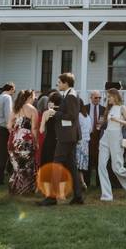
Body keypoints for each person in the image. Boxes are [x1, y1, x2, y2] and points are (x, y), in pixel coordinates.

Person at [39, 73, 84, 206]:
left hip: (67, 137)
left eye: (59, 82)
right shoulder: (69, 95)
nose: (57, 84)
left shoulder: (71, 96)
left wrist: (55, 113)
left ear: (66, 83)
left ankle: (52, 197)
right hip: (69, 136)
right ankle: (78, 196)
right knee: (72, 167)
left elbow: (71, 115)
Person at [97, 88, 126, 201]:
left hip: (116, 137)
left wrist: (118, 121)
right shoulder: (108, 109)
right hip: (106, 137)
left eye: (109, 96)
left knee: (117, 168)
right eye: (107, 96)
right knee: (101, 165)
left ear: (115, 96)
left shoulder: (122, 108)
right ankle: (106, 195)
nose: (107, 98)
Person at [6, 89, 38, 197]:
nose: (34, 99)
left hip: (14, 140)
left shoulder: (15, 109)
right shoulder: (33, 110)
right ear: (29, 97)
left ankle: (15, 189)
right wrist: (36, 142)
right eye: (33, 97)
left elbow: (8, 126)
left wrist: (16, 131)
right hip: (26, 141)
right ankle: (26, 190)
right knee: (27, 165)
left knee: (16, 166)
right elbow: (34, 129)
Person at [0, 83, 15, 185]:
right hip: (3, 128)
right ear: (11, 89)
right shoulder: (7, 98)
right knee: (2, 154)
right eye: (14, 90)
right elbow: (8, 114)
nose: (14, 93)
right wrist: (11, 128)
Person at [82, 90, 105, 187]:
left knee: (99, 160)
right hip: (88, 136)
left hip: (99, 137)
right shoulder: (85, 108)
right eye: (96, 97)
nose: (98, 99)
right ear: (91, 98)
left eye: (100, 98)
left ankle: (99, 183)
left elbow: (105, 123)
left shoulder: (104, 109)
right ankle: (86, 182)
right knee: (88, 160)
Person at [75, 99, 92, 191]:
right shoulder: (87, 116)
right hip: (86, 143)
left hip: (79, 142)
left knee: (76, 164)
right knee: (80, 165)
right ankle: (82, 182)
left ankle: (81, 183)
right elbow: (90, 130)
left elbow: (76, 129)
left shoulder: (77, 116)